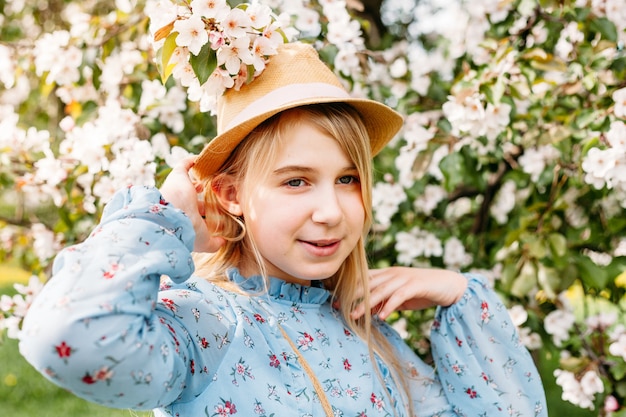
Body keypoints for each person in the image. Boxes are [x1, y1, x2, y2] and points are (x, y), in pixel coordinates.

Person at [19, 42, 547, 417]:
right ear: (229, 195)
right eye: (296, 182)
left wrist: (459, 295)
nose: (332, 211)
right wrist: (162, 216)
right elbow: (68, 340)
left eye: (348, 179)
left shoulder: (369, 334)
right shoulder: (210, 324)